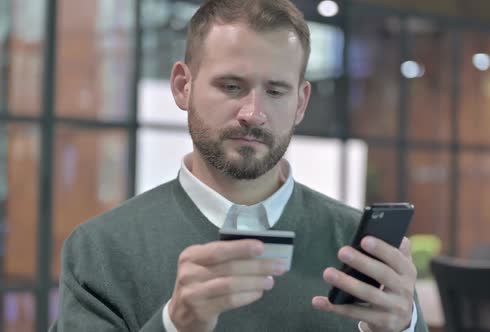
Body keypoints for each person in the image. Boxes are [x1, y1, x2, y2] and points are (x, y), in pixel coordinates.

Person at [50, 0, 429, 331]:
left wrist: (403, 329)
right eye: (231, 86)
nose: (253, 114)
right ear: (183, 86)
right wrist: (174, 327)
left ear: (300, 103)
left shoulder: (363, 250)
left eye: (276, 91)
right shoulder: (102, 249)